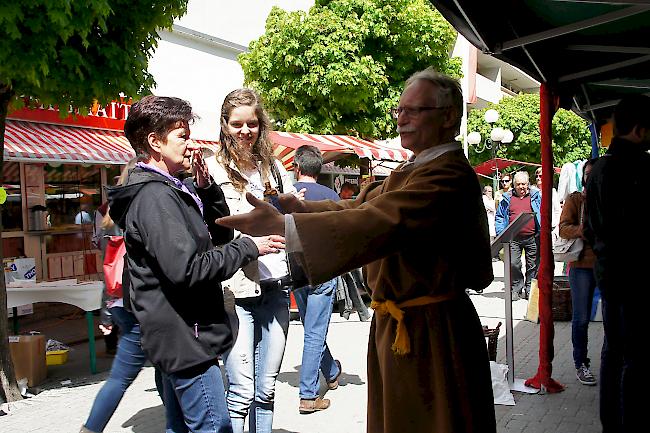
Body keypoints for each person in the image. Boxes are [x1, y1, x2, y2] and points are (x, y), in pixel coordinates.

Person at [217, 68, 496, 433]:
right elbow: (360, 208)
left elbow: (379, 221)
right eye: (400, 110)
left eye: (415, 110)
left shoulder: (446, 174)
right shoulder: (416, 167)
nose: (402, 119)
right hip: (407, 325)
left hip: (431, 332)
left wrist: (283, 225)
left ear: (448, 117)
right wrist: (299, 210)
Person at [106, 95, 277, 433]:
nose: (189, 144)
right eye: (181, 135)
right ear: (155, 142)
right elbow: (188, 268)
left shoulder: (171, 188)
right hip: (184, 335)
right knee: (214, 426)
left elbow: (215, 234)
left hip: (181, 330)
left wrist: (206, 188)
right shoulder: (155, 197)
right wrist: (249, 247)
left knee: (181, 426)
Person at [204, 88, 297, 433]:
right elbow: (211, 230)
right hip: (235, 290)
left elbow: (289, 219)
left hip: (275, 286)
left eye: (252, 124)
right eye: (237, 124)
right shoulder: (212, 170)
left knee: (267, 389)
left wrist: (293, 212)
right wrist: (251, 241)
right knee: (241, 391)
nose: (245, 131)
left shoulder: (273, 167)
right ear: (225, 126)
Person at [584, 95, 650, 433]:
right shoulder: (637, 168)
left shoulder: (598, 170)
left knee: (613, 350)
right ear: (640, 130)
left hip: (610, 274)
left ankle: (611, 421)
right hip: (634, 278)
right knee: (633, 357)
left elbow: (589, 228)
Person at [291, 145, 342, 414]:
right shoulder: (330, 196)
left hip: (296, 271)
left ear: (296, 167)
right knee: (314, 332)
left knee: (312, 329)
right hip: (323, 270)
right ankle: (308, 395)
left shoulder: (285, 197)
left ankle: (331, 372)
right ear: (319, 169)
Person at [558, 158, 598, 387]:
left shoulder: (608, 198)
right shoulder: (575, 200)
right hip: (581, 265)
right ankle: (580, 363)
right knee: (581, 318)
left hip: (606, 264)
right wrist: (581, 230)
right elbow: (563, 228)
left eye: (595, 174)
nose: (591, 179)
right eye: (588, 174)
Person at [495, 171, 541, 300]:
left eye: (524, 184)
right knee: (514, 264)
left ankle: (529, 289)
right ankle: (516, 288)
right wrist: (501, 234)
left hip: (532, 236)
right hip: (513, 238)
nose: (521, 187)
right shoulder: (507, 198)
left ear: (528, 184)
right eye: (518, 184)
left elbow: (543, 212)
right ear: (514, 185)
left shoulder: (535, 196)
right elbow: (499, 217)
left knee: (532, 265)